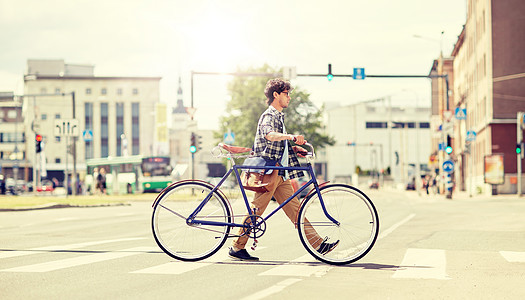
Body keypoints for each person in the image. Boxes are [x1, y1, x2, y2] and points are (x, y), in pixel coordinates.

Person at [229, 78, 339, 261]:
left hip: (280, 173)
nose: (289, 97)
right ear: (276, 95)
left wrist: (292, 148)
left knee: (296, 211)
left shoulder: (279, 117)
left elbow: (277, 143)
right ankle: (237, 247)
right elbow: (269, 135)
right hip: (268, 172)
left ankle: (318, 245)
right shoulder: (269, 116)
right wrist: (291, 136)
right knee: (256, 211)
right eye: (287, 94)